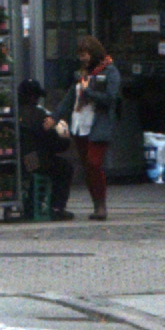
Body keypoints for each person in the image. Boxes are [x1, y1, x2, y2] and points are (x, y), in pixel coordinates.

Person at [51, 36, 120, 221]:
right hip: (80, 122)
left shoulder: (110, 71)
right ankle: (96, 204)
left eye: (85, 54)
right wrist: (55, 116)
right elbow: (69, 98)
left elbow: (111, 98)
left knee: (94, 162)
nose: (82, 58)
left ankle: (101, 204)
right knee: (88, 167)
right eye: (80, 55)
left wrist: (89, 92)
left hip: (98, 123)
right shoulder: (81, 74)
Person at [17, 78, 75, 220]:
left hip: (15, 162)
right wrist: (65, 139)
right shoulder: (39, 115)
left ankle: (31, 205)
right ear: (33, 97)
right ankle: (56, 207)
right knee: (63, 168)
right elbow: (53, 142)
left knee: (42, 166)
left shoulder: (13, 113)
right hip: (33, 161)